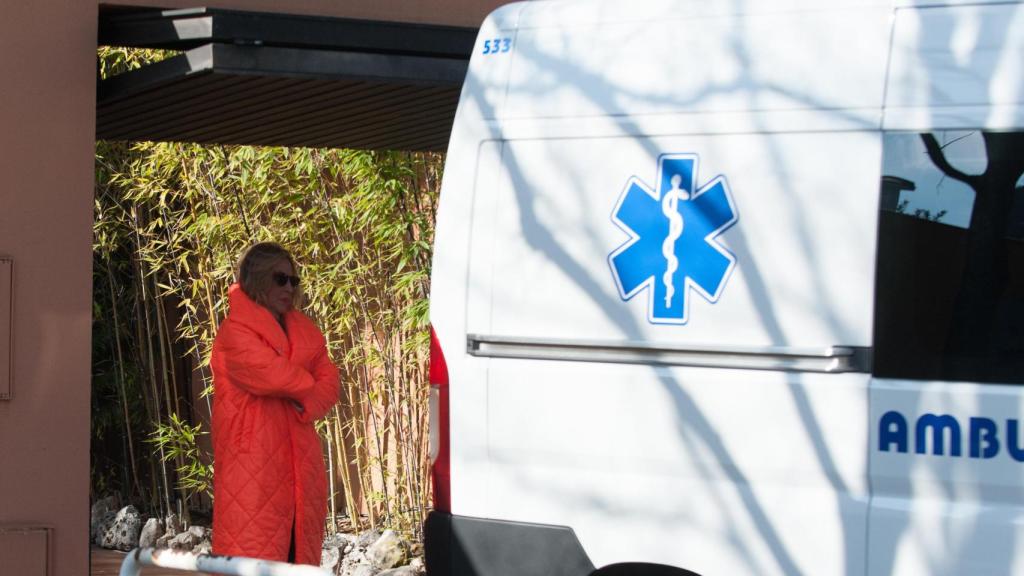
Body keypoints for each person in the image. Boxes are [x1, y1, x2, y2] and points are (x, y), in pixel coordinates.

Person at [210, 242, 339, 565]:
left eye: (293, 280)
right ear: (257, 278)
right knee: (253, 553)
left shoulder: (306, 330)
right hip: (253, 462)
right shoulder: (233, 332)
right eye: (280, 279)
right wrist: (307, 384)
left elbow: (330, 382)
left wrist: (308, 399)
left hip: (301, 460)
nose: (289, 288)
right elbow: (273, 375)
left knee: (297, 554)